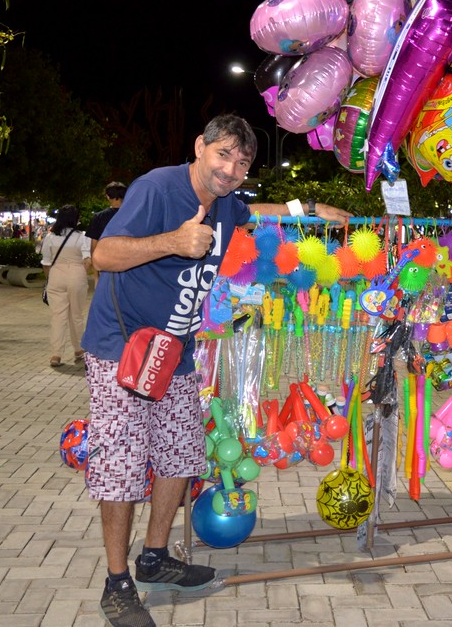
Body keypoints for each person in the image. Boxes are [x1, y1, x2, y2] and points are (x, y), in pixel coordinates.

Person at [81, 114, 351, 627]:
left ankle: (154, 557)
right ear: (200, 147)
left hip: (176, 355)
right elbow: (104, 255)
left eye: (242, 162)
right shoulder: (156, 188)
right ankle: (117, 584)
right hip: (124, 352)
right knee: (121, 467)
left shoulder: (228, 204)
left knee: (182, 456)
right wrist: (173, 242)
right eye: (223, 154)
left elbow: (257, 211)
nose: (230, 169)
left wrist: (311, 208)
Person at [41, 205, 92, 368]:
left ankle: (56, 355)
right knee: (76, 315)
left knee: (58, 316)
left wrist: (50, 278)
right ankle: (79, 350)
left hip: (56, 275)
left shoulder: (50, 237)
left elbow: (46, 262)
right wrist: (81, 272)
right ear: (75, 218)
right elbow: (88, 260)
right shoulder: (83, 236)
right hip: (77, 274)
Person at [87, 181, 127, 255]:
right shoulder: (133, 215)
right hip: (127, 259)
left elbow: (94, 244)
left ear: (108, 197)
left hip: (105, 259)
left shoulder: (98, 217)